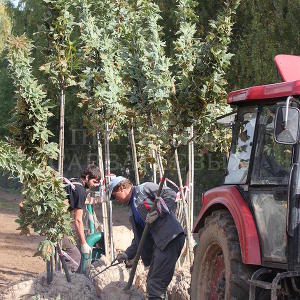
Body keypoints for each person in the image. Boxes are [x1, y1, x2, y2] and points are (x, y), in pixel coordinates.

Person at [109, 176, 185, 299]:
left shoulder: (145, 189)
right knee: (152, 282)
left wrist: (158, 212)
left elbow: (171, 195)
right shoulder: (131, 210)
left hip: (169, 238)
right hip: (160, 245)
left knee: (155, 285)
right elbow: (139, 239)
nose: (116, 199)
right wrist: (127, 254)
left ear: (122, 187)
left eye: (115, 195)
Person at [62, 164, 101, 272]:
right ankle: (72, 283)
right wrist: (84, 243)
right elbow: (78, 220)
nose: (94, 185)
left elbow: (77, 201)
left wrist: (98, 199)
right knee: (74, 255)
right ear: (87, 177)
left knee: (68, 248)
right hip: (54, 224)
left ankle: (63, 275)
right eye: (94, 182)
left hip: (55, 220)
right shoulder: (80, 190)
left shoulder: (74, 182)